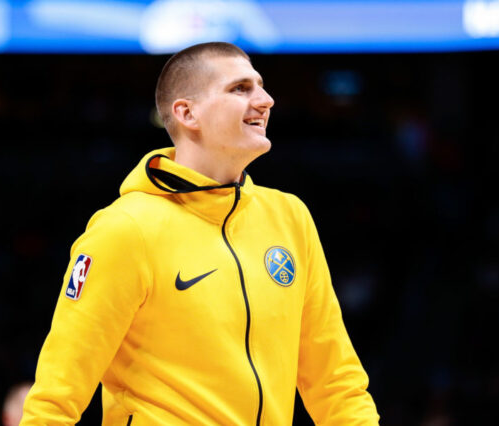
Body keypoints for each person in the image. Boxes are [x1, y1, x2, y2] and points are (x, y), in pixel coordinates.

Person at [21, 42, 379, 425]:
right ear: (187, 113)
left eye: (260, 86)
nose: (266, 100)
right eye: (240, 88)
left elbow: (335, 381)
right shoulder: (125, 230)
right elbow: (56, 398)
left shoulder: (289, 217)